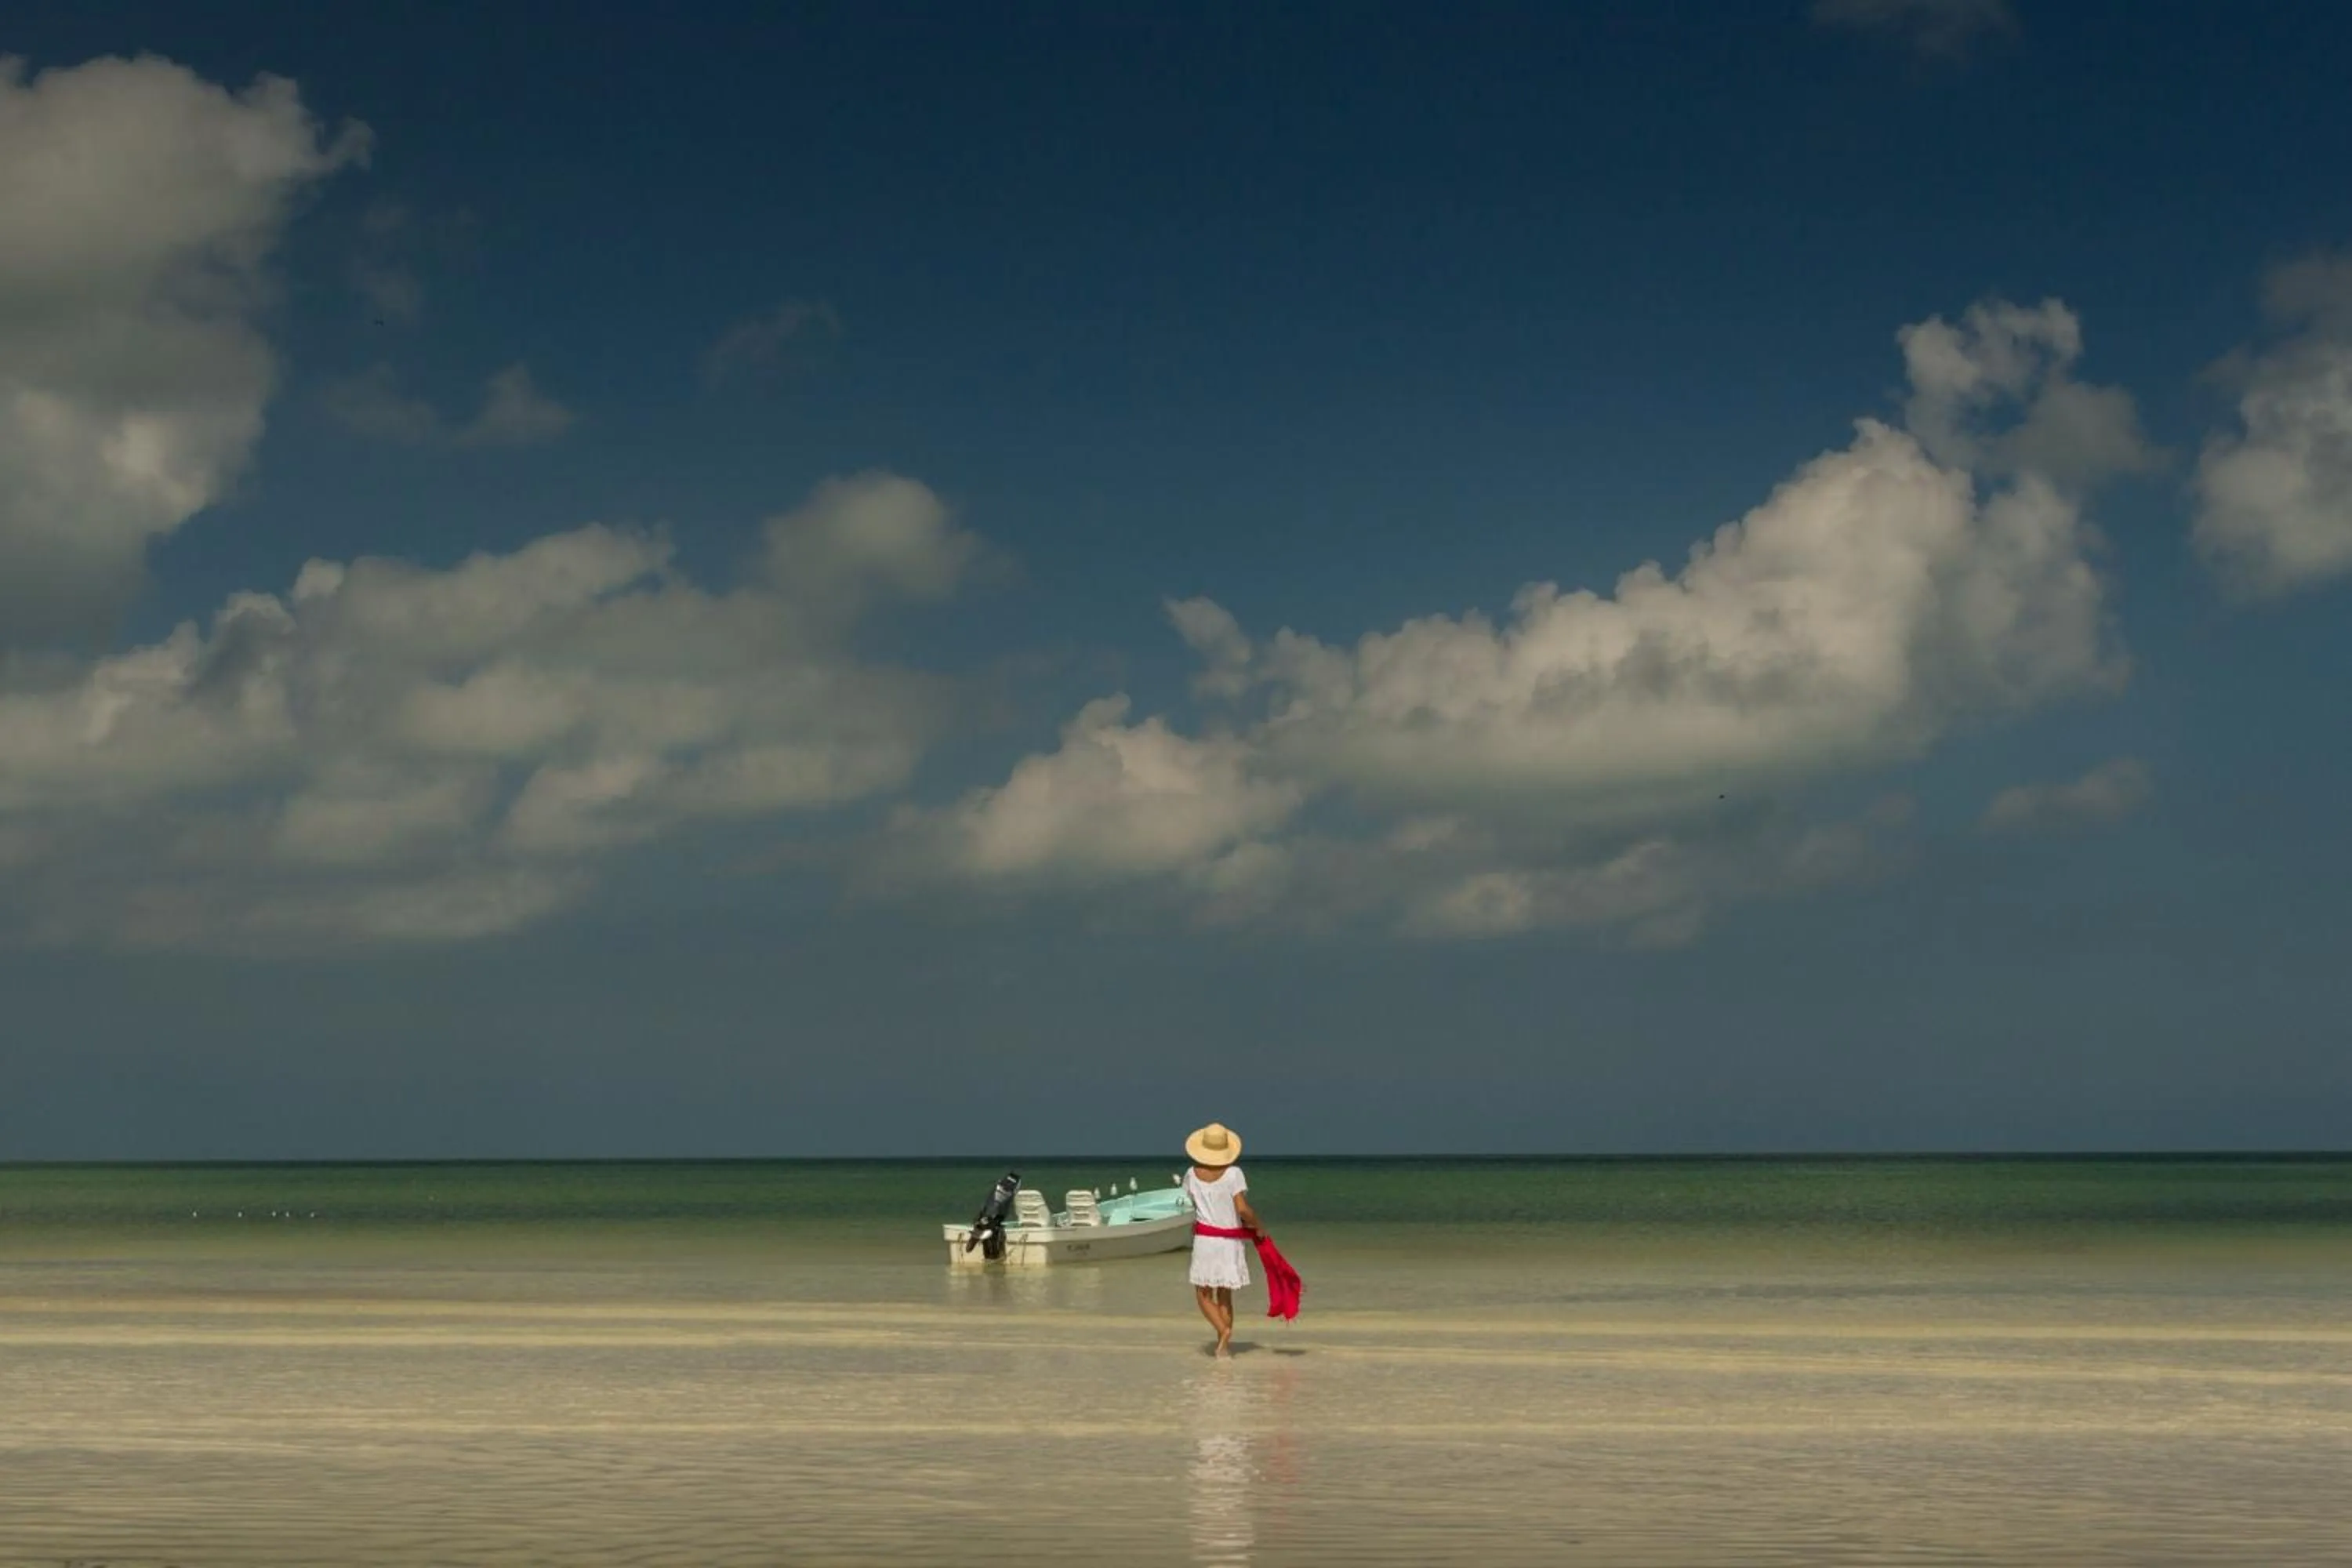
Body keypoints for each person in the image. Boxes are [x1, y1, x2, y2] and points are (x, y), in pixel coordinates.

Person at [1181, 1121, 1263, 1357]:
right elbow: (1243, 1209)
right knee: (1225, 1293)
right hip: (1229, 1243)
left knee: (1203, 1293)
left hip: (1205, 1241)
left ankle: (1222, 1333)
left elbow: (1195, 1205)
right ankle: (1224, 1341)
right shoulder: (1234, 1174)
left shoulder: (1190, 1174)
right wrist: (1258, 1227)